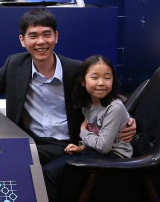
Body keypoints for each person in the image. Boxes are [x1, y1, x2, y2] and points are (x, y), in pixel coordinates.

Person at [0, 8, 136, 167]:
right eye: (33, 36)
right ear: (23, 40)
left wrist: (128, 122)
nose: (41, 41)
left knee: (11, 162)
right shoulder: (15, 64)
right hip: (29, 139)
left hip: (66, 142)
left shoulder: (76, 70)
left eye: (46, 34)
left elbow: (107, 98)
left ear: (56, 37)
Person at [42, 55, 133, 202]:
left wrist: (83, 132)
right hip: (96, 152)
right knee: (51, 170)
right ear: (83, 81)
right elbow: (97, 133)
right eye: (95, 77)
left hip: (114, 156)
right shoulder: (88, 104)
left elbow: (103, 146)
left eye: (107, 78)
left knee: (52, 172)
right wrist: (81, 147)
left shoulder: (114, 107)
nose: (101, 83)